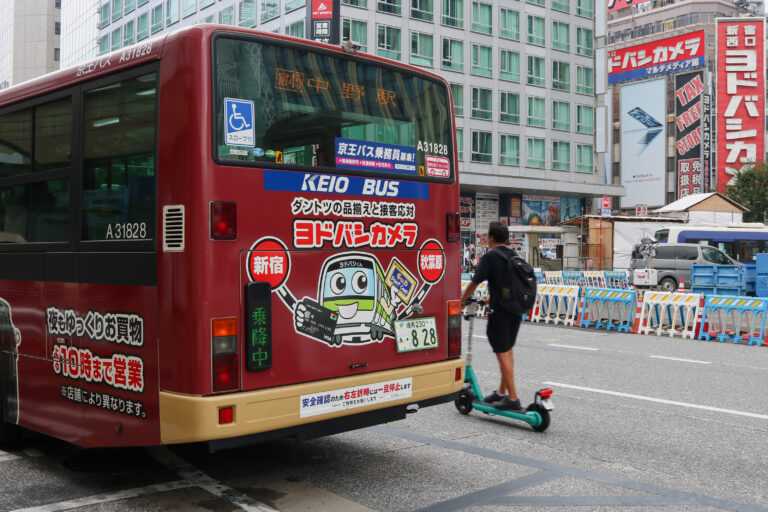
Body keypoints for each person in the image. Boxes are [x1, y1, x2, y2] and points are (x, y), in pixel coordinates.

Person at [460, 222, 523, 411]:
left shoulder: (491, 256)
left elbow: (475, 282)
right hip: (516, 310)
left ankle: (512, 398)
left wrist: (461, 301)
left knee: (501, 352)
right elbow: (506, 284)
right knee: (508, 351)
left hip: (500, 313)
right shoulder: (513, 255)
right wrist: (489, 299)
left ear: (492, 238)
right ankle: (502, 393)